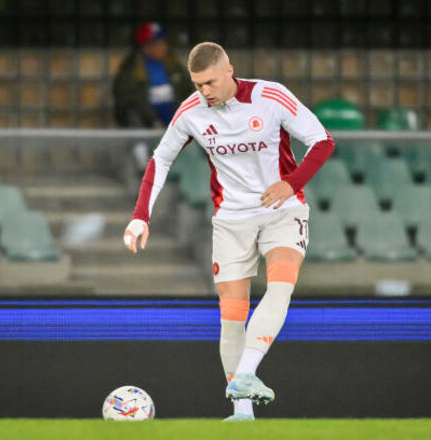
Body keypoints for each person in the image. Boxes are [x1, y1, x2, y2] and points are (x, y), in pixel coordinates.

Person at [123, 42, 334, 421]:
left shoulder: (271, 96)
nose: (204, 91)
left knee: (281, 286)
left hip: (281, 210)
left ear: (229, 71)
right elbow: (161, 159)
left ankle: (247, 373)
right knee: (231, 316)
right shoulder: (191, 112)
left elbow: (322, 141)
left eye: (209, 82)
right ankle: (242, 413)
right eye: (197, 84)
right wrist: (141, 215)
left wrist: (292, 182)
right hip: (232, 219)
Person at [113, 22, 193, 129]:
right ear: (146, 47)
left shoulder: (173, 64)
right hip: (146, 129)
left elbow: (188, 90)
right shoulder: (131, 69)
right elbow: (127, 104)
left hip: (176, 127)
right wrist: (152, 122)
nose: (163, 47)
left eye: (163, 42)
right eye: (157, 43)